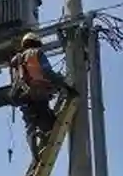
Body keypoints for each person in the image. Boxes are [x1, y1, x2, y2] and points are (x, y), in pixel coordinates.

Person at [8, 31, 77, 159]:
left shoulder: (16, 61)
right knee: (51, 123)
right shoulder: (36, 53)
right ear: (36, 43)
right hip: (38, 92)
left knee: (30, 124)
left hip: (22, 97)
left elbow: (16, 81)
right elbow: (48, 72)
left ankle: (34, 151)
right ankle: (40, 132)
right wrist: (67, 87)